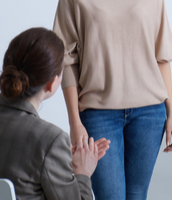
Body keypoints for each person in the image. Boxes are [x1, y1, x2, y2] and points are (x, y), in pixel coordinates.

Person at [53, 0, 172, 200]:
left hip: (150, 112)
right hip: (98, 113)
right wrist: (75, 122)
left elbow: (161, 55)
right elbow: (66, 60)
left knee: (136, 196)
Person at [0, 27, 110, 200]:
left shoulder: (50, 143)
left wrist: (57, 160)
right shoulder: (50, 140)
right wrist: (82, 173)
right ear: (52, 84)